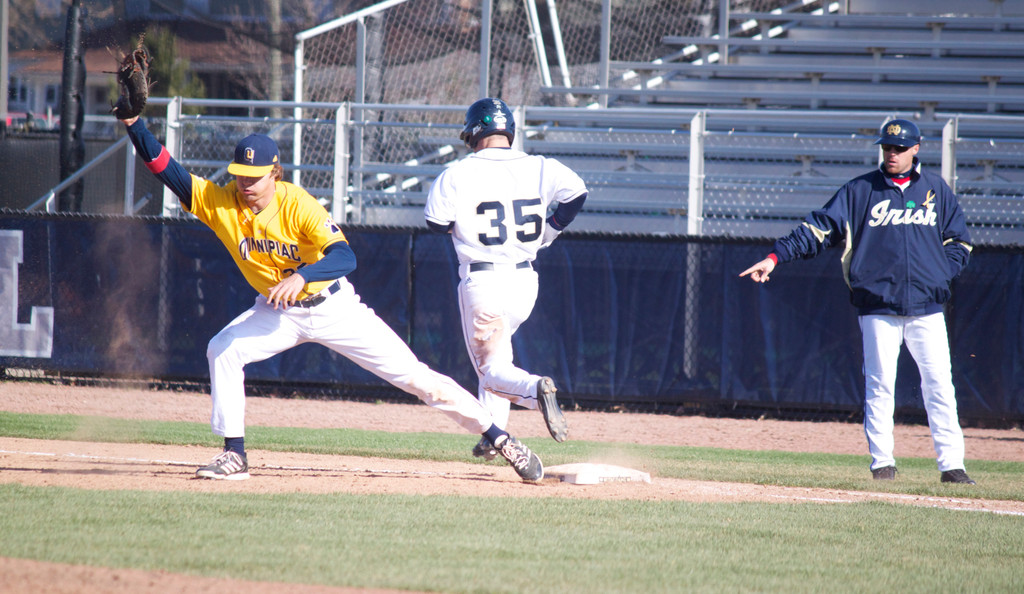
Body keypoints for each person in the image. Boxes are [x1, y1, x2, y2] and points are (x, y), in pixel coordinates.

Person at [117, 113, 544, 482]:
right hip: (277, 312)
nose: (244, 183)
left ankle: (501, 439)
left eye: (254, 176)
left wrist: (302, 278)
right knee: (223, 350)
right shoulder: (221, 201)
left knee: (416, 378)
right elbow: (166, 171)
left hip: (334, 307)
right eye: (239, 174)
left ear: (275, 173)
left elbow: (345, 256)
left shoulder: (297, 204)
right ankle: (235, 453)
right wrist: (136, 125)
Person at [740, 119, 975, 484]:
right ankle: (883, 464)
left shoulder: (936, 191)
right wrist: (774, 258)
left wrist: (939, 275)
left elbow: (959, 242)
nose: (892, 153)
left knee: (939, 385)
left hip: (926, 307)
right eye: (887, 147)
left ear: (916, 149)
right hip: (878, 305)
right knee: (880, 385)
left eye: (899, 148)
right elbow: (816, 230)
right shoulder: (860, 191)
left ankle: (952, 467)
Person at [424, 97, 588, 460]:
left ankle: (534, 388)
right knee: (500, 352)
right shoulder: (541, 165)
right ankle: (491, 433)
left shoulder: (458, 172)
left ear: (473, 133)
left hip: (483, 281)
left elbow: (435, 223)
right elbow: (577, 194)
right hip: (525, 282)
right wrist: (551, 229)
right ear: (509, 131)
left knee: (492, 368)